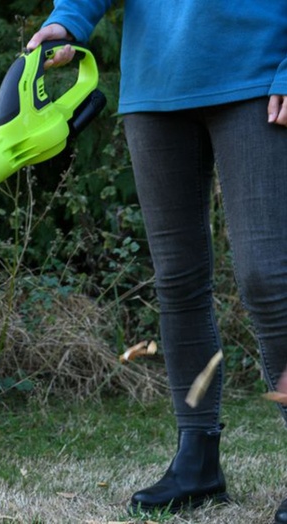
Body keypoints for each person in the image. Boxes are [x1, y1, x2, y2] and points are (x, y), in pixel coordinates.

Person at [26, 1, 287, 521]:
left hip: (260, 71)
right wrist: (69, 17)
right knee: (177, 278)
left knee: (269, 276)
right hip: (156, 80)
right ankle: (197, 461)